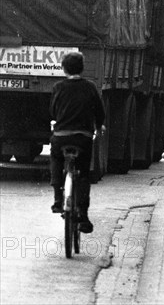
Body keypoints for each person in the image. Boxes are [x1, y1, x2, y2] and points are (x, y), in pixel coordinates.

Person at [49, 51, 105, 233]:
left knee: (56, 159)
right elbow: (99, 111)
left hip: (61, 135)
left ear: (63, 69)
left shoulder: (58, 87)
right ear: (82, 68)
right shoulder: (90, 87)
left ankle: (58, 198)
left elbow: (53, 111)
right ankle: (83, 216)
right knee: (83, 174)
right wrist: (98, 126)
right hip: (83, 137)